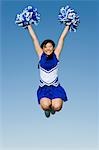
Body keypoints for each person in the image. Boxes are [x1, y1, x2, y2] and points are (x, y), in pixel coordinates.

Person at [27, 24, 69, 118]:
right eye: (45, 47)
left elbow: (62, 38)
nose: (48, 48)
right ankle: (47, 109)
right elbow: (34, 38)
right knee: (46, 105)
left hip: (55, 87)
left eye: (50, 46)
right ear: (43, 48)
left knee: (57, 107)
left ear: (53, 48)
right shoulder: (40, 54)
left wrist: (68, 25)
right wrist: (28, 25)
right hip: (43, 88)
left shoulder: (56, 54)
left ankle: (52, 109)